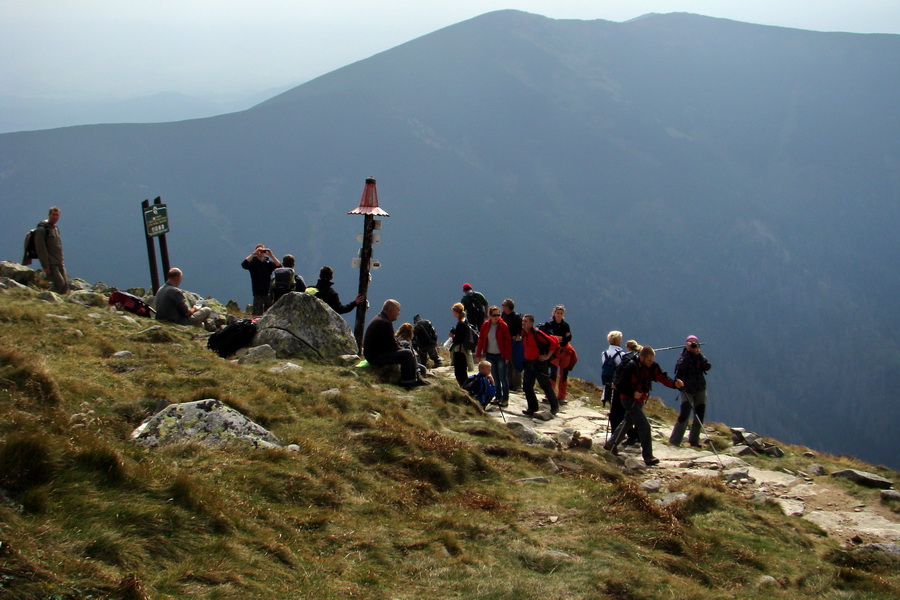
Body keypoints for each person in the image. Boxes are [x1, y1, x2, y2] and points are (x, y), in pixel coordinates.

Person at [604, 346, 684, 466]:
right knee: (644, 425)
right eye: (649, 360)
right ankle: (648, 457)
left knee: (627, 422)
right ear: (642, 357)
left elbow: (661, 377)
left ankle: (611, 444)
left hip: (640, 400)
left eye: (652, 360)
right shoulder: (630, 366)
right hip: (628, 400)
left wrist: (674, 384)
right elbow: (618, 384)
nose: (651, 363)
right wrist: (632, 393)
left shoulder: (651, 366)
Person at [362, 299, 427, 388]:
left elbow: (390, 342)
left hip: (377, 352)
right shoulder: (384, 323)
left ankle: (415, 377)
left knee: (406, 346)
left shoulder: (381, 319)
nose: (399, 313)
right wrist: (404, 350)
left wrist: (401, 347)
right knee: (407, 353)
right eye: (398, 310)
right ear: (391, 310)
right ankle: (408, 382)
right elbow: (392, 346)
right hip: (375, 357)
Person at [669, 335, 712, 447]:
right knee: (684, 414)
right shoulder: (683, 356)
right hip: (686, 389)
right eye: (690, 342)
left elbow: (707, 366)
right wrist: (689, 352)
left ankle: (694, 441)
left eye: (694, 343)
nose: (693, 345)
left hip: (700, 389)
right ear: (686, 344)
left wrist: (698, 354)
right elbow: (681, 367)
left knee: (699, 415)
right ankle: (675, 441)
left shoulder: (699, 356)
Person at [521, 314, 560, 418]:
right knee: (526, 385)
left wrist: (547, 356)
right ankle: (532, 408)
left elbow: (553, 343)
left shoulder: (537, 333)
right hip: (529, 362)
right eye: (523, 321)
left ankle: (555, 407)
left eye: (525, 321)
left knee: (545, 385)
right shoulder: (523, 333)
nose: (523, 323)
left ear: (531, 323)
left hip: (539, 362)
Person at [475, 306, 511, 407]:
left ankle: (505, 399)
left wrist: (507, 356)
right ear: (490, 315)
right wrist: (478, 354)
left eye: (498, 315)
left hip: (501, 355)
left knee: (503, 378)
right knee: (495, 377)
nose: (497, 317)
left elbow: (507, 341)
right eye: (494, 315)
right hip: (490, 355)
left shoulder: (503, 326)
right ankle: (498, 397)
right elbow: (481, 339)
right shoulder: (485, 325)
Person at [540, 305, 574, 402]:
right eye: (557, 313)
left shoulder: (565, 325)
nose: (559, 315)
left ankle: (561, 396)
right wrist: (560, 338)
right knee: (553, 373)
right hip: (554, 351)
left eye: (561, 313)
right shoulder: (549, 325)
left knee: (564, 374)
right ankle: (549, 395)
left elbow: (569, 338)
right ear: (554, 313)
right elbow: (545, 336)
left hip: (565, 351)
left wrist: (556, 337)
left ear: (563, 315)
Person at [33, 206, 68, 294]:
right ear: (49, 215)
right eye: (53, 215)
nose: (55, 217)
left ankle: (57, 303)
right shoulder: (42, 229)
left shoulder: (55, 228)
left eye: (57, 215)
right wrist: (45, 266)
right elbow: (41, 248)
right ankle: (44, 297)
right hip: (51, 263)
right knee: (59, 283)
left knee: (65, 286)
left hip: (59, 262)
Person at [241, 244, 281, 315]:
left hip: (268, 290)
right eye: (259, 250)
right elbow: (244, 265)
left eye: (263, 250)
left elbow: (279, 266)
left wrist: (271, 255)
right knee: (257, 313)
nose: (261, 252)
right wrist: (253, 253)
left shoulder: (268, 263)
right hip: (258, 291)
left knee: (269, 313)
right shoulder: (253, 263)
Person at [501, 299, 524, 392]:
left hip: (515, 344)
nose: (502, 306)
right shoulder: (503, 315)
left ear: (508, 307)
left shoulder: (516, 317)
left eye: (504, 304)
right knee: (507, 364)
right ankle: (509, 384)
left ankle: (517, 385)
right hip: (505, 343)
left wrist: (518, 336)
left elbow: (521, 330)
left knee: (515, 364)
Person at [448, 302, 471, 386]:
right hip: (464, 350)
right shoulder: (465, 321)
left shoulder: (460, 324)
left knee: (459, 372)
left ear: (456, 312)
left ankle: (464, 388)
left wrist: (453, 335)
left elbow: (458, 339)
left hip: (459, 351)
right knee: (463, 371)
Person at [600, 330, 624, 407]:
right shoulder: (621, 354)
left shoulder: (604, 353)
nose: (621, 341)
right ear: (617, 341)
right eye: (620, 339)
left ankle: (605, 400)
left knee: (607, 388)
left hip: (606, 376)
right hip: (616, 379)